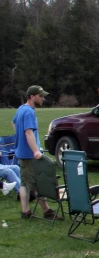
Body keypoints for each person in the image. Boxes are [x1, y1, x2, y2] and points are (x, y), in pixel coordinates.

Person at [13, 85, 59, 221]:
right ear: (32, 96)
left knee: (25, 183)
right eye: (40, 96)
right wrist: (35, 151)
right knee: (37, 183)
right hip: (29, 155)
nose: (43, 99)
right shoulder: (28, 112)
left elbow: (14, 123)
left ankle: (26, 211)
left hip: (22, 153)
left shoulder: (21, 109)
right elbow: (28, 132)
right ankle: (46, 212)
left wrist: (19, 140)